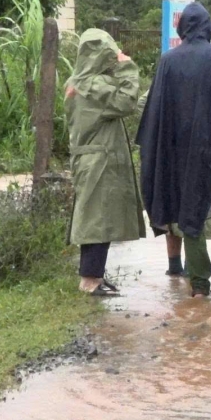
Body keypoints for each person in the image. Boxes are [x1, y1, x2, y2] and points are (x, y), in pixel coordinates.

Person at [136, 2, 211, 298]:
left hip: (183, 153)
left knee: (191, 214)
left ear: (182, 28)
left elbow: (156, 113)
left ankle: (199, 286)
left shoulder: (168, 61)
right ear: (207, 26)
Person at [64, 29, 145, 296]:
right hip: (99, 161)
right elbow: (127, 101)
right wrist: (127, 67)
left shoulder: (77, 82)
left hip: (90, 158)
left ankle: (94, 275)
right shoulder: (94, 85)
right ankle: (89, 280)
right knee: (98, 221)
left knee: (97, 218)